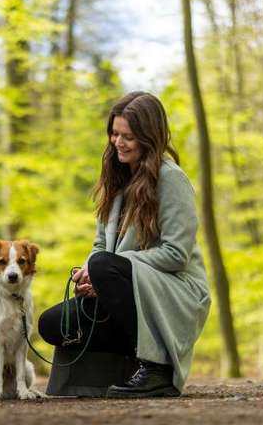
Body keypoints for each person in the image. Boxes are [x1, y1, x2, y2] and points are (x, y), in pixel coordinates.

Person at [38, 91, 211, 398]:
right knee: (52, 324)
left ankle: (157, 369)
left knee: (105, 265)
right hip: (126, 287)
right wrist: (91, 274)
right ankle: (124, 368)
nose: (118, 142)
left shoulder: (172, 180)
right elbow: (100, 246)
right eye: (114, 134)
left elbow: (176, 255)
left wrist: (111, 268)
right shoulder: (117, 182)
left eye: (128, 136)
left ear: (149, 137)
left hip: (175, 292)